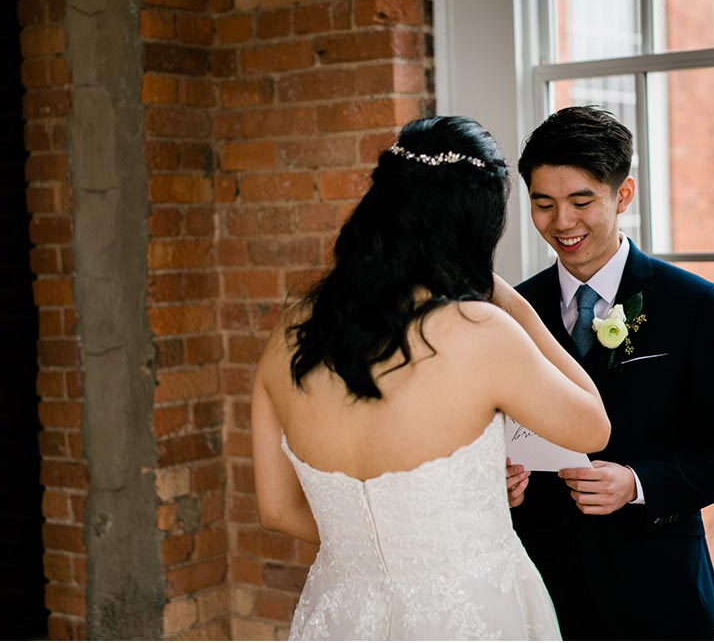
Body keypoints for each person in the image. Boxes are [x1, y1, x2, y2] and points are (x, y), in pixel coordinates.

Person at [250, 115, 612, 639]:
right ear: (476, 222)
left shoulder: (289, 334)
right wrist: (508, 299)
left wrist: (376, 553)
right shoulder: (479, 329)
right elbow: (593, 426)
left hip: (342, 614)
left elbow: (277, 509)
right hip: (469, 612)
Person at [508, 106, 714, 640]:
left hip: (659, 595)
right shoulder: (512, 312)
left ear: (623, 195)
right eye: (543, 204)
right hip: (540, 598)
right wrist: (498, 484)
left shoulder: (694, 305)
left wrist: (638, 484)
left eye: (581, 201)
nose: (562, 223)